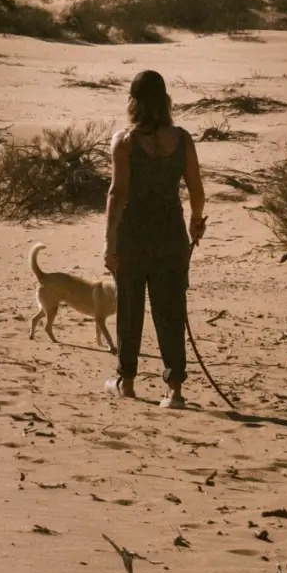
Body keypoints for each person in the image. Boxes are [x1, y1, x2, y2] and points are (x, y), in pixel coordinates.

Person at [103, 70, 206, 408]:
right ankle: (174, 389)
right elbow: (196, 190)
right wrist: (194, 222)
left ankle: (127, 381)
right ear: (165, 101)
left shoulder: (125, 141)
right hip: (171, 235)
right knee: (171, 311)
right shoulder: (183, 139)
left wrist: (109, 242)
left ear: (134, 102)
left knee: (130, 310)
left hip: (133, 236)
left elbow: (117, 194)